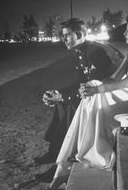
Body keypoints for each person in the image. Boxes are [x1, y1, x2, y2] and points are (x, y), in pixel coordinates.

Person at [44, 14, 128, 190]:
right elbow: (113, 78)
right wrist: (91, 86)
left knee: (96, 93)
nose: (125, 32)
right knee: (93, 87)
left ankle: (81, 154)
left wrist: (98, 90)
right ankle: (73, 157)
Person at [34, 18, 121, 180]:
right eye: (63, 35)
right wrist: (57, 94)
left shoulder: (96, 52)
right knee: (63, 104)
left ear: (80, 34)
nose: (63, 39)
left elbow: (98, 86)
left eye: (67, 35)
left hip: (111, 96)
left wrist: (64, 97)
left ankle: (61, 163)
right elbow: (78, 83)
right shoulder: (82, 51)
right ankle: (55, 152)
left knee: (72, 107)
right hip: (97, 93)